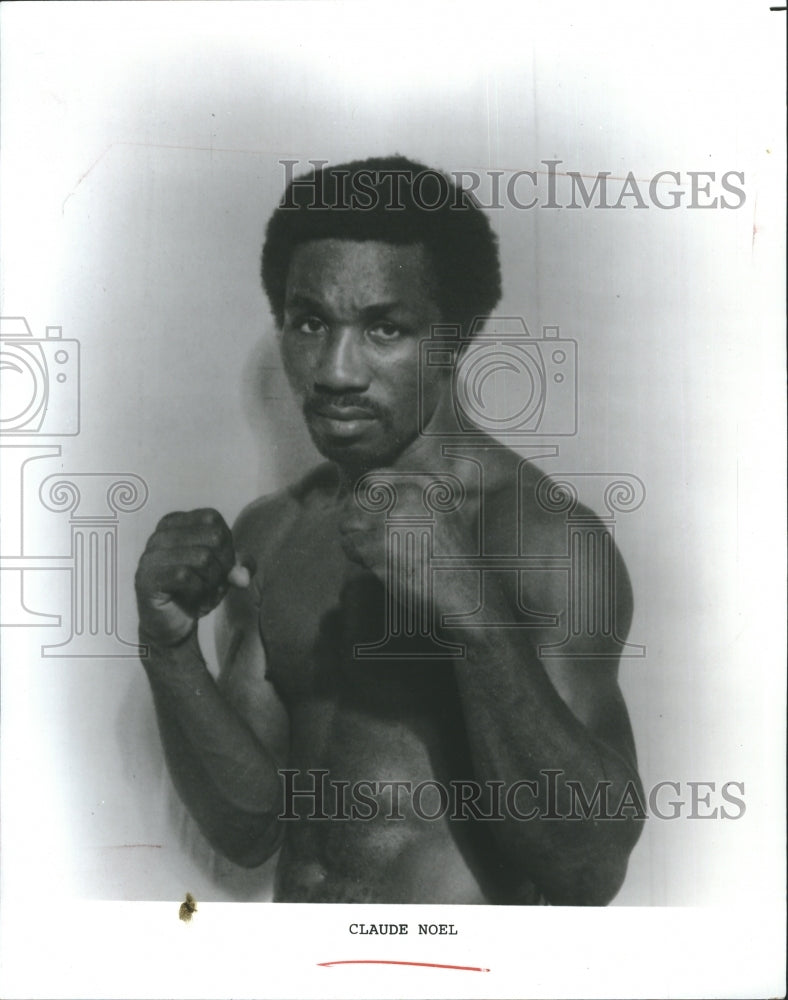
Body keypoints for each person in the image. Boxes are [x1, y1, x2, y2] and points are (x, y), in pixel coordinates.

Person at [135, 156, 644, 904]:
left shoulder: (540, 535)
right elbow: (249, 829)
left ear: (457, 337)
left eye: (385, 328)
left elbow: (588, 871)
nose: (335, 371)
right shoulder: (273, 533)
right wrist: (168, 646)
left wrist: (476, 618)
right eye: (311, 323)